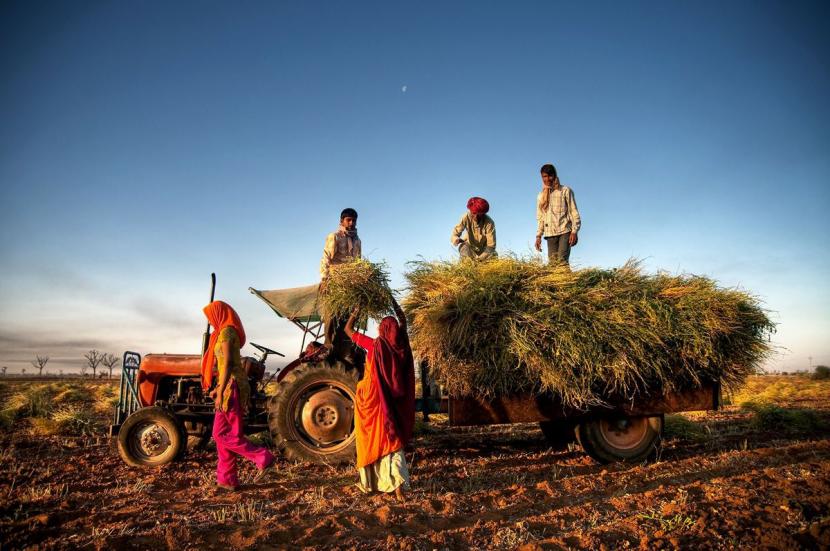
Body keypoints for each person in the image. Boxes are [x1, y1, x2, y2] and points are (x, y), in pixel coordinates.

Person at [344, 298, 415, 502]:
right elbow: (403, 320)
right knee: (392, 439)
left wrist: (356, 310)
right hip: (391, 402)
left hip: (372, 400)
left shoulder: (375, 345)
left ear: (383, 329)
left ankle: (373, 482)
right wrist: (392, 301)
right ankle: (398, 485)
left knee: (372, 438)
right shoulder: (402, 345)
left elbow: (348, 330)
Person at [202, 301, 275, 491]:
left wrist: (221, 391)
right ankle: (227, 479)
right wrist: (218, 388)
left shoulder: (227, 332)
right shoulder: (223, 332)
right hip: (227, 386)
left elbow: (226, 365)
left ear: (219, 313)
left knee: (224, 434)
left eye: (211, 316)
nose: (210, 322)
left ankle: (262, 456)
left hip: (232, 388)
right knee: (220, 434)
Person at [320, 208, 362, 363]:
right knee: (331, 313)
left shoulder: (357, 240)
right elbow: (326, 258)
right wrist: (325, 279)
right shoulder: (335, 236)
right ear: (342, 221)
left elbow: (358, 263)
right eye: (348, 220)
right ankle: (328, 344)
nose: (351, 223)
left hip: (349, 285)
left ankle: (343, 348)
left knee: (349, 316)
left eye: (354, 220)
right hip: (334, 281)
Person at [534, 164, 581, 265]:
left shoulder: (565, 191)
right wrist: (538, 236)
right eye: (544, 177)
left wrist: (574, 231)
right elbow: (541, 218)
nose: (547, 179)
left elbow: (574, 212)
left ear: (555, 175)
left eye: (550, 176)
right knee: (553, 264)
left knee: (562, 261)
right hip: (550, 234)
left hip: (565, 231)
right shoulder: (541, 196)